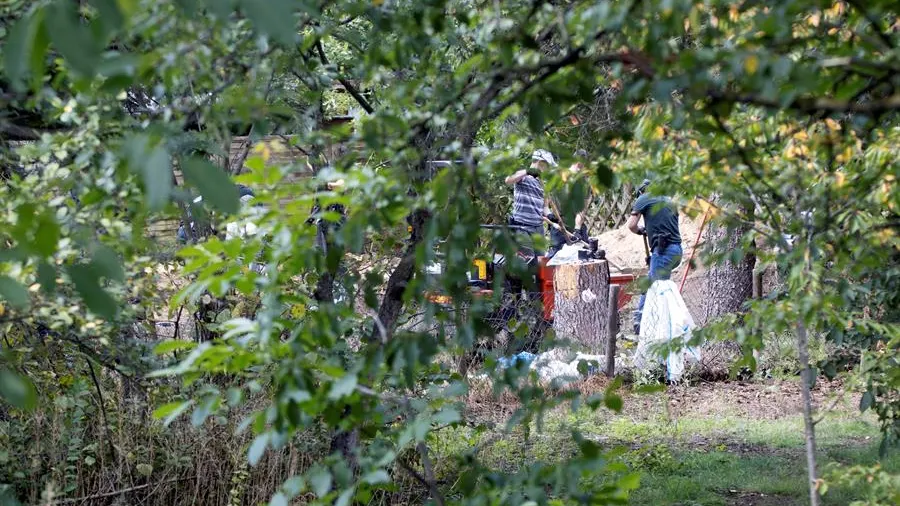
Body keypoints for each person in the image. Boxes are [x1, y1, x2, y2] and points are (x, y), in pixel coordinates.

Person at [627, 179, 682, 334]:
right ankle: (656, 321)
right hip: (676, 251)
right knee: (657, 284)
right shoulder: (669, 200)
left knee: (652, 286)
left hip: (663, 251)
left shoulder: (644, 198)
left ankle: (642, 322)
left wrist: (640, 231)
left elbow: (631, 225)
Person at [505, 149, 555, 253]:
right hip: (522, 227)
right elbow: (508, 180)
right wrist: (527, 171)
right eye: (547, 165)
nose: (548, 169)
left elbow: (545, 207)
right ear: (541, 162)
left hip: (538, 228)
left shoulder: (544, 183)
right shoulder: (523, 176)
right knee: (528, 260)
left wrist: (550, 215)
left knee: (540, 261)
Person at [545, 149, 591, 257]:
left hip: (575, 225)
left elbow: (581, 210)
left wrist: (577, 229)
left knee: (586, 256)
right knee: (556, 257)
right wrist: (548, 213)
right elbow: (546, 197)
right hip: (559, 224)